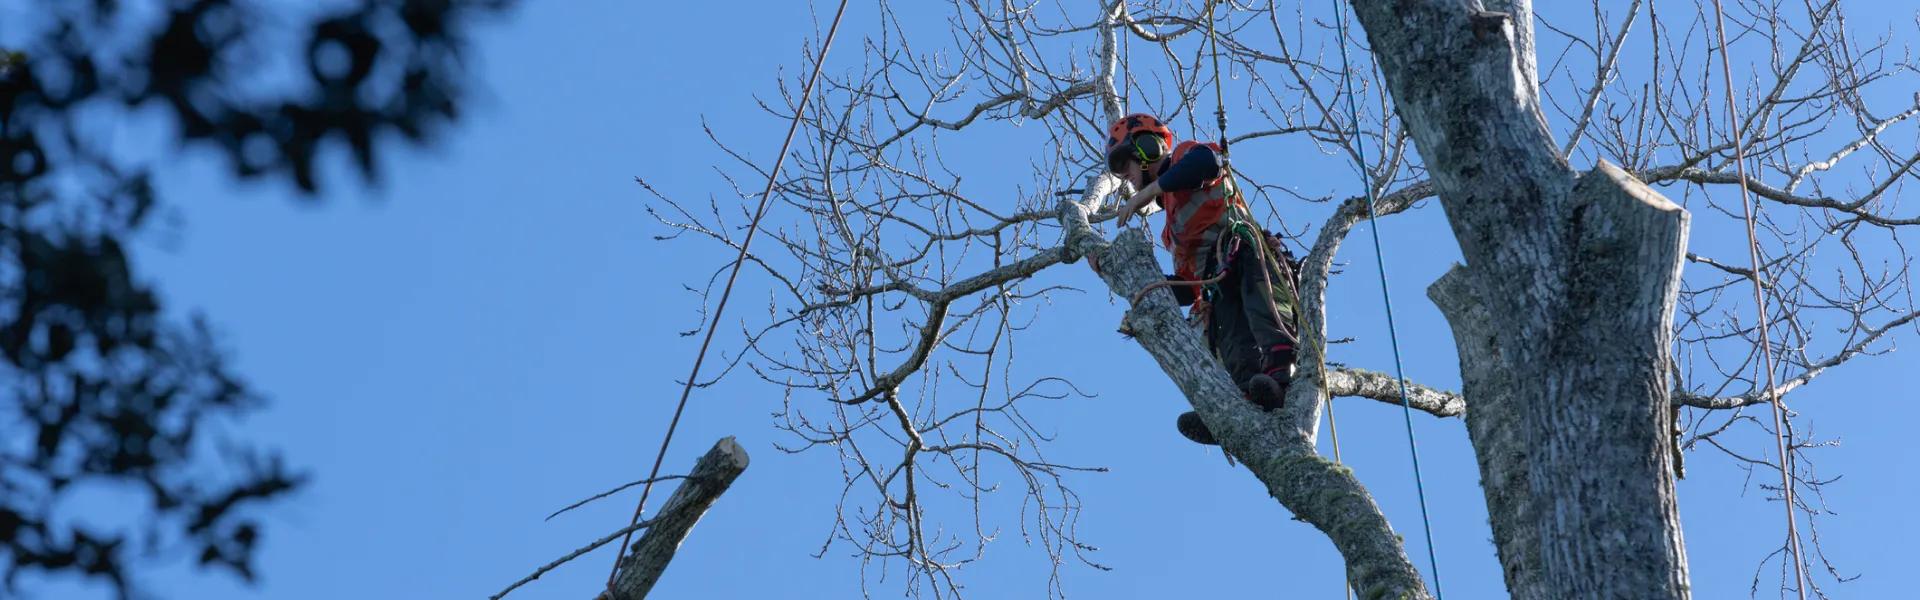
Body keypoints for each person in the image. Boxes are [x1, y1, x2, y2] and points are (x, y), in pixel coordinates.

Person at [1104, 113, 1300, 447]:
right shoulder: (1171, 228)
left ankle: (1280, 372)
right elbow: (1186, 285)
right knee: (1223, 320)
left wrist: (1146, 192)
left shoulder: (1183, 157)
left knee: (1254, 294)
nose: (1127, 178)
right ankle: (1244, 399)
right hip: (1215, 279)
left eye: (1127, 165)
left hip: (1246, 252)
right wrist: (1126, 278)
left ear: (1148, 147)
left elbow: (1208, 163)